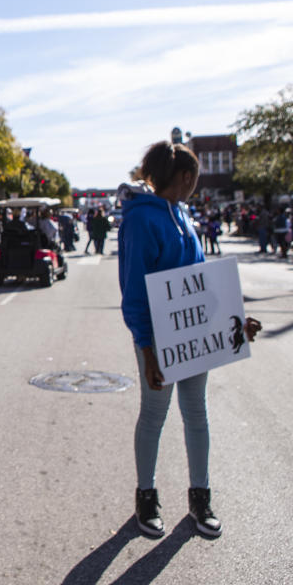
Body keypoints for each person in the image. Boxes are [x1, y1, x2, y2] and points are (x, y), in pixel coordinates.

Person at [117, 141, 261, 540]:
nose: (196, 183)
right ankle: (146, 497)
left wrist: (233, 321)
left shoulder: (184, 215)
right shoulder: (141, 221)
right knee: (154, 416)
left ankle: (200, 497)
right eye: (196, 176)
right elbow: (133, 291)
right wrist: (146, 349)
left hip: (194, 336)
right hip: (157, 340)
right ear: (185, 176)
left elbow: (201, 285)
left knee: (196, 414)